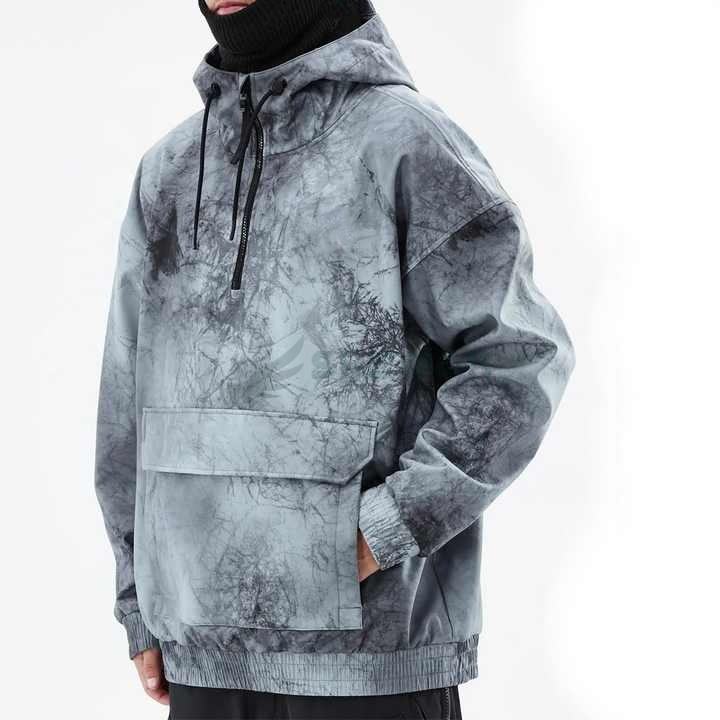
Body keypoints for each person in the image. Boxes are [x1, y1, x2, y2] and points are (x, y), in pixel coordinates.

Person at [93, 1, 575, 718]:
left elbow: (521, 358)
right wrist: (138, 601)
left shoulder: (403, 140)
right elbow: (127, 404)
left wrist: (386, 528)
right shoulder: (168, 170)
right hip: (201, 657)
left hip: (368, 666)